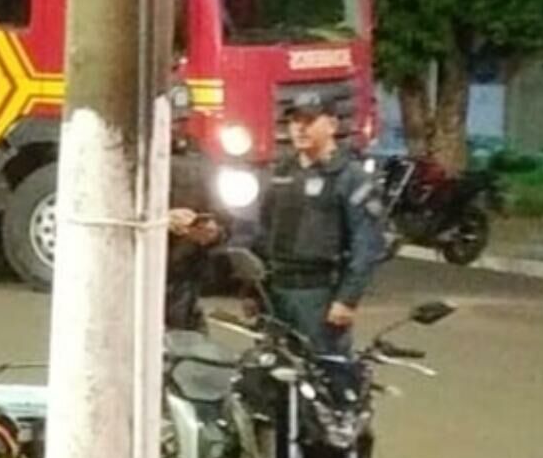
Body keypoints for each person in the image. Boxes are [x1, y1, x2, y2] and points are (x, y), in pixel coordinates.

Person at [256, 93, 387, 355]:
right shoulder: (280, 173)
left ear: (331, 125)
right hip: (276, 292)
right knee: (272, 376)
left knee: (325, 375)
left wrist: (347, 299)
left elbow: (367, 245)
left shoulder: (350, 177)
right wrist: (253, 289)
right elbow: (263, 231)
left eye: (309, 120)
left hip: (319, 294)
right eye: (295, 121)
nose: (300, 128)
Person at [165, 154, 228, 332]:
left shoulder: (200, 159)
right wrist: (161, 220)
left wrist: (212, 233)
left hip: (183, 282)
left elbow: (224, 221)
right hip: (132, 280)